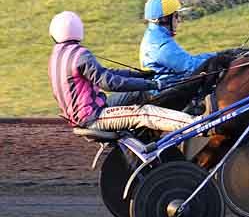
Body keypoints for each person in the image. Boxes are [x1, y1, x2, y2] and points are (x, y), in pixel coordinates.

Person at [48, 11, 198, 133]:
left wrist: (139, 75)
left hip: (80, 115)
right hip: (94, 117)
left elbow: (107, 73)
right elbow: (110, 83)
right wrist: (153, 84)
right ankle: (195, 124)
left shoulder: (56, 57)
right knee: (144, 112)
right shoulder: (80, 55)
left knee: (135, 95)